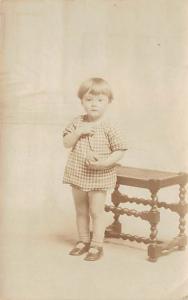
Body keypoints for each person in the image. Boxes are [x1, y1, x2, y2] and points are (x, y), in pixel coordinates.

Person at [63, 77, 127, 261]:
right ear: (82, 101)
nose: (94, 104)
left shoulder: (109, 125)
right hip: (77, 173)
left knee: (96, 212)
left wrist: (106, 163)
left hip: (99, 175)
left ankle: (97, 245)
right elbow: (66, 143)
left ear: (108, 102)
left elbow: (120, 149)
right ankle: (83, 240)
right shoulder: (77, 122)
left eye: (100, 100)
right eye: (89, 100)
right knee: (81, 210)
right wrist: (78, 132)